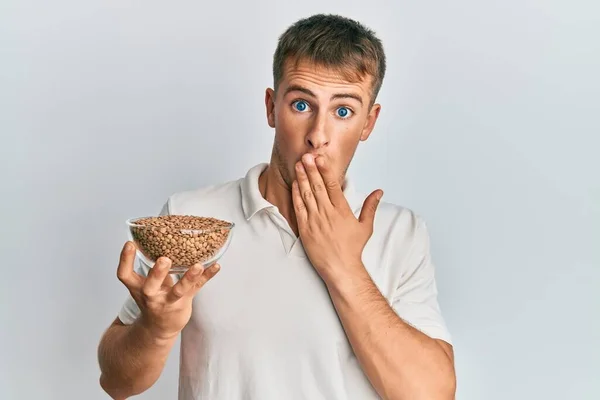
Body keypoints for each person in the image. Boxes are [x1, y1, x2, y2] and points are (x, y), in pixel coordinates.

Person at [98, 13, 456, 400]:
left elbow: (432, 394)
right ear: (271, 108)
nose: (318, 135)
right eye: (301, 104)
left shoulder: (400, 233)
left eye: (343, 111)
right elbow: (116, 382)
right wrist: (156, 329)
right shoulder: (194, 220)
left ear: (368, 123)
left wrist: (343, 267)